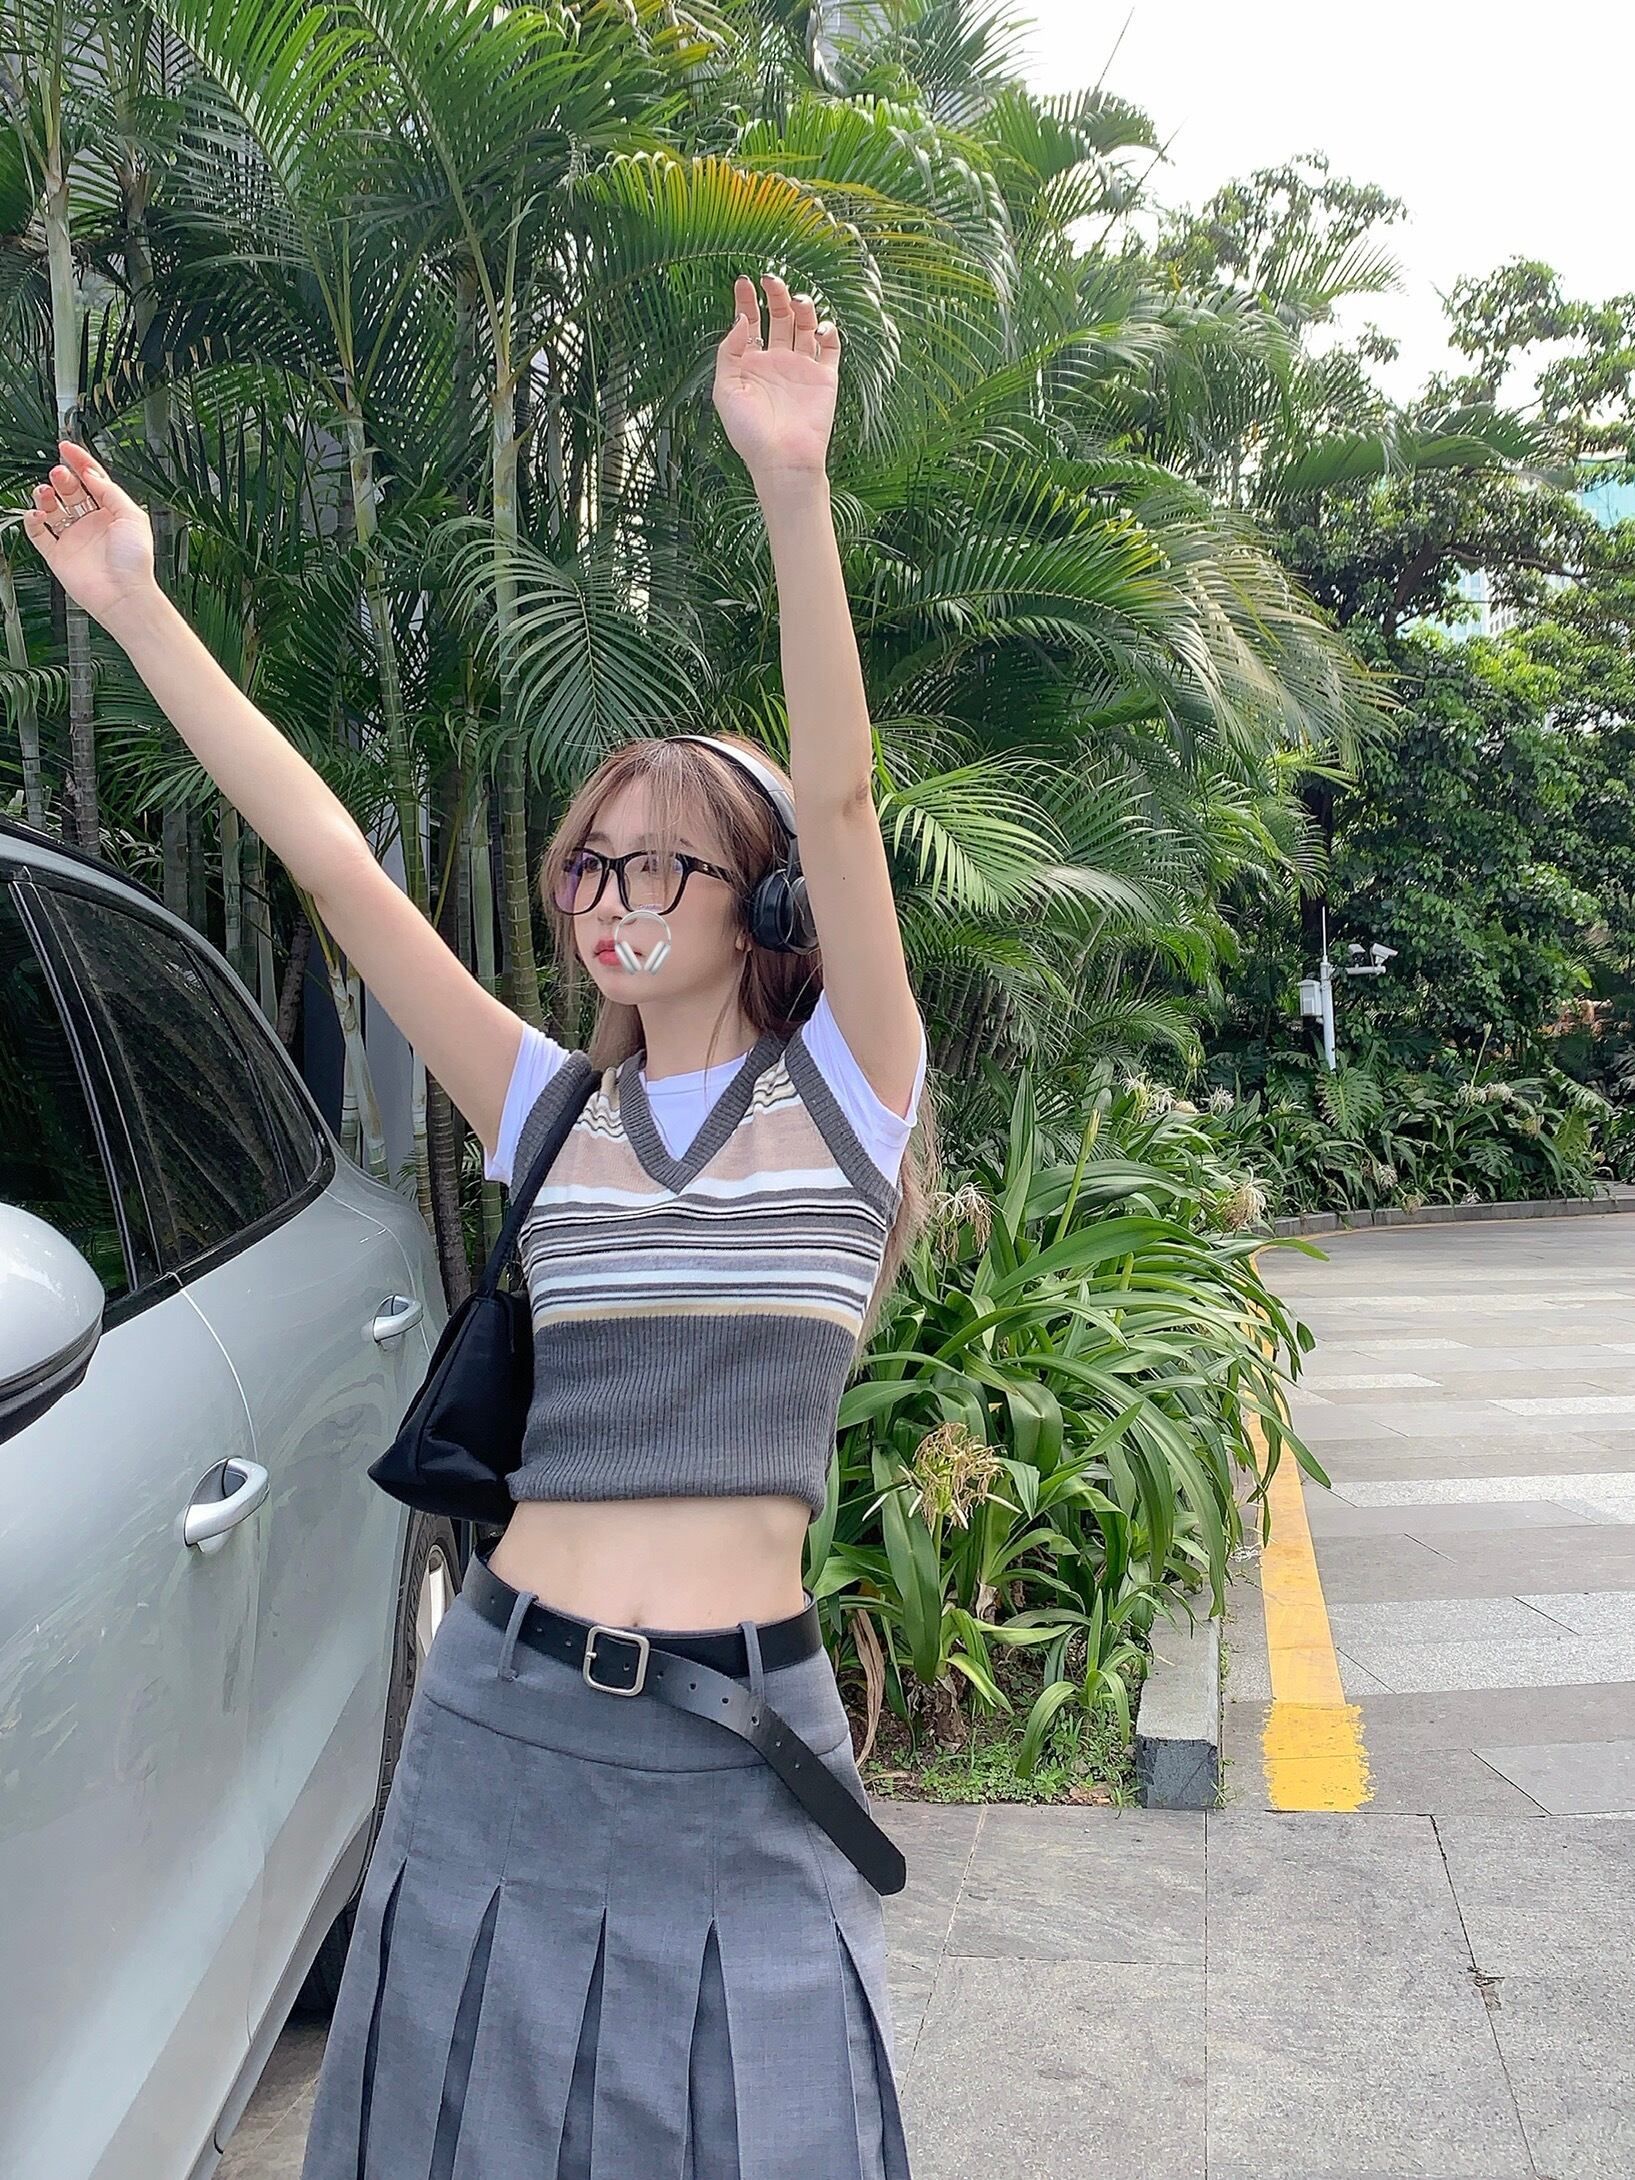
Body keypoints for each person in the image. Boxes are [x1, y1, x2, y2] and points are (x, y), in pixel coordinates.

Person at [25, 270, 933, 2177]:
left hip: (741, 1743)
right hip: (503, 1716)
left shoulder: (848, 1103)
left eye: (662, 864)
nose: (610, 898)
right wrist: (135, 605)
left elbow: (847, 803)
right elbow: (331, 864)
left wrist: (792, 485)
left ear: (763, 904)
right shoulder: (554, 1109)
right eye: (590, 863)